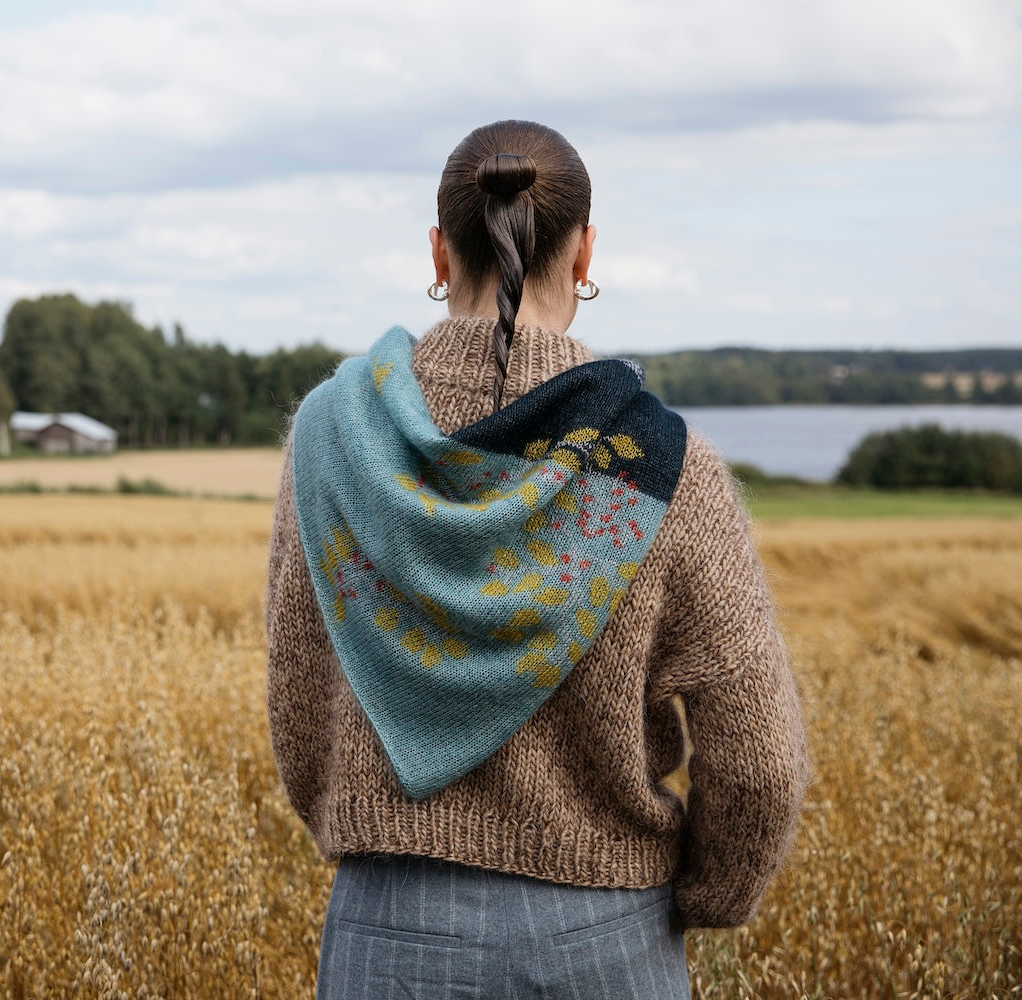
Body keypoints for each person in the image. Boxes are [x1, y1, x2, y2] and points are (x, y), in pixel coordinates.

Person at [264, 120, 811, 998]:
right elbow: (759, 763)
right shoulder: (665, 469)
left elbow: (297, 700)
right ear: (585, 253)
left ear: (440, 253)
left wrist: (377, 842)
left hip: (386, 928)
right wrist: (705, 898)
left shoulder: (330, 436)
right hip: (606, 939)